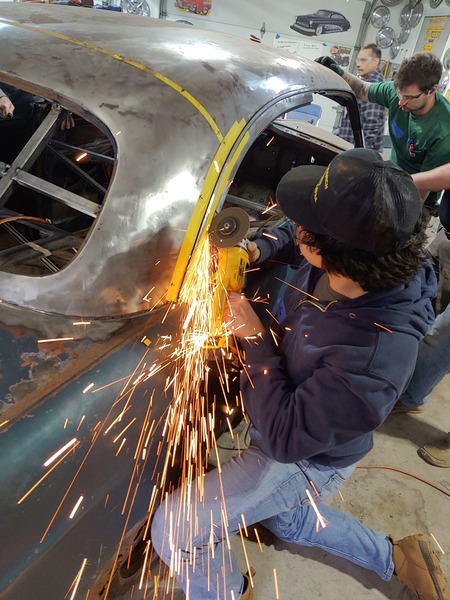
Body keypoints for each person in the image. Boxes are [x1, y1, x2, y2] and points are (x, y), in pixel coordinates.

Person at [151, 148, 447, 600]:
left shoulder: (374, 357)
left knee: (178, 528)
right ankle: (398, 558)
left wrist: (253, 340)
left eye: (306, 228)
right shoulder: (369, 255)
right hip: (298, 416)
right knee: (289, 522)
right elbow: (295, 235)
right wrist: (257, 248)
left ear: (326, 251)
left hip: (312, 457)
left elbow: (288, 439)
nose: (296, 228)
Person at [316, 52, 450, 211]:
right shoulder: (396, 93)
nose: (400, 103)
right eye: (399, 94)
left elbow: (424, 186)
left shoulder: (443, 130)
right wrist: (338, 73)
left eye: (408, 97)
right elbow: (363, 89)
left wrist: (407, 216)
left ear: (432, 90)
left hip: (419, 194)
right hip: (393, 175)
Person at [393, 162, 450, 467]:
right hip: (448, 238)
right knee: (433, 328)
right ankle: (411, 396)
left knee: (444, 333)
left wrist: (416, 180)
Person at [334, 43, 385, 152]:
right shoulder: (363, 83)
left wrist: (361, 157)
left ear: (375, 62)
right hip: (348, 150)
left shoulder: (374, 87)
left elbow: (373, 127)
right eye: (358, 60)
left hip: (357, 155)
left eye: (363, 60)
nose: (358, 64)